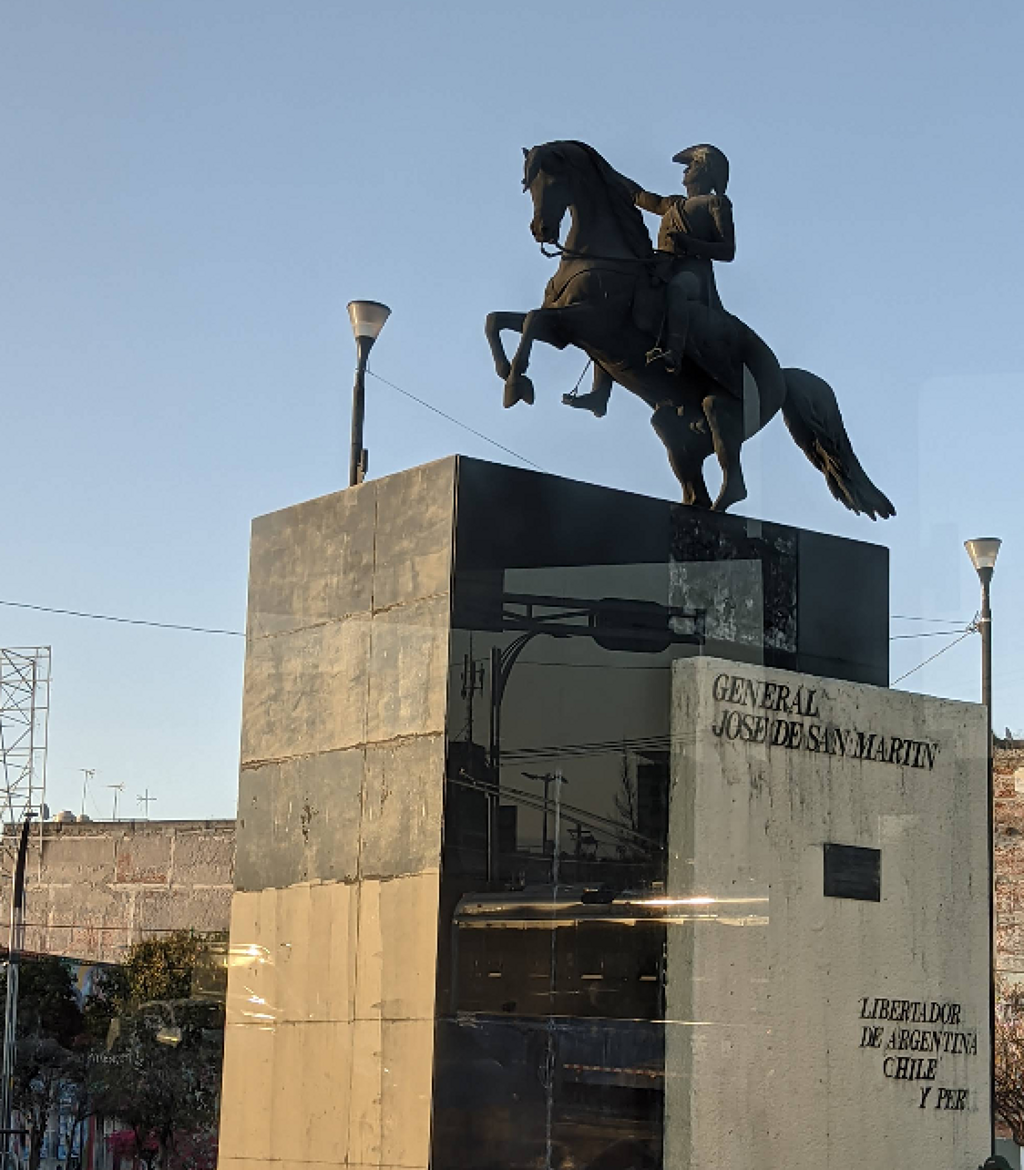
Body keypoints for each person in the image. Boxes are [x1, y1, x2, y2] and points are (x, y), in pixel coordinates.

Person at [562, 143, 739, 418]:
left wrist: (690, 243)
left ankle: (673, 353)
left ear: (705, 170)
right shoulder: (672, 204)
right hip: (662, 268)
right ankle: (600, 393)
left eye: (691, 166)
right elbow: (640, 195)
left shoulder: (716, 204)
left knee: (677, 291)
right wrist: (605, 172)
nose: (685, 172)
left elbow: (728, 250)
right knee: (616, 305)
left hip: (692, 273)